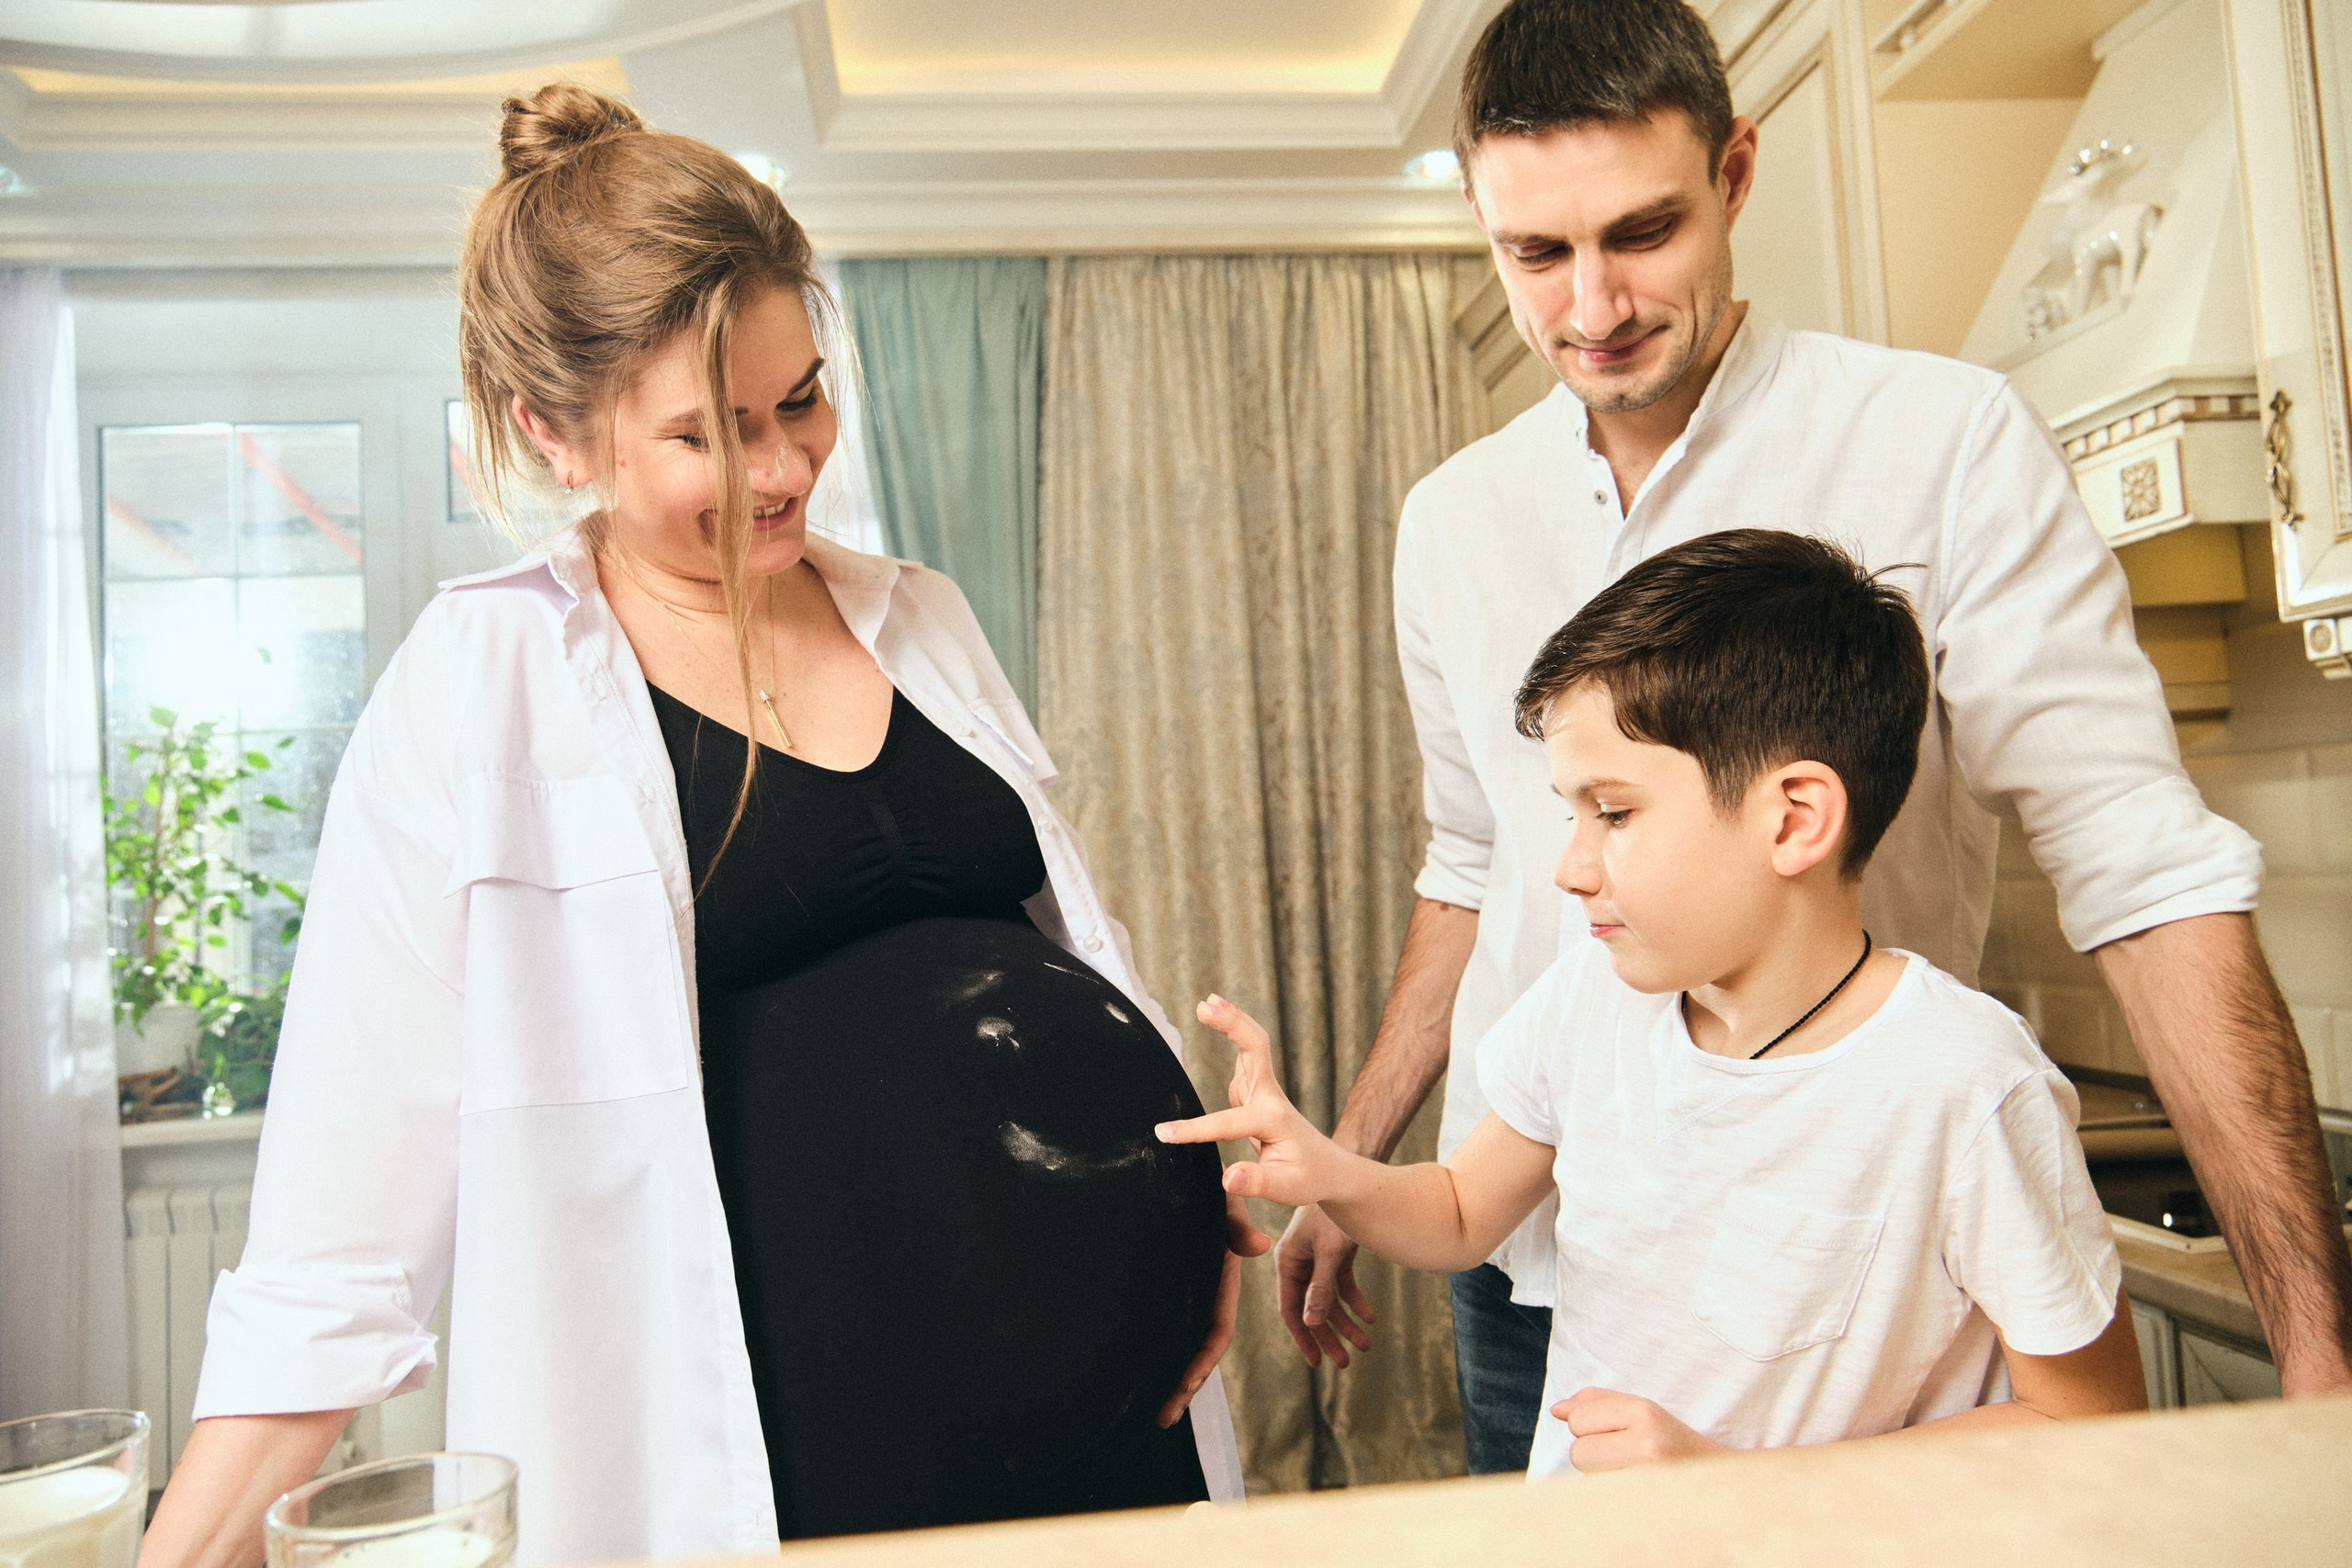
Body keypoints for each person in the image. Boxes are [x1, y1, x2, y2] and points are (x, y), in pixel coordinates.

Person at [138, 85, 1261, 1568]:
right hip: (798, 1485)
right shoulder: (483, 685)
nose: (786, 467)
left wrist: (1176, 1199)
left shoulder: (919, 614)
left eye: (800, 399)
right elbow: (333, 1252)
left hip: (1128, 1443)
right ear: (555, 433)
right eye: (711, 433)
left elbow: (1053, 969)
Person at [1278, 0, 2352, 1474]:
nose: (1592, 306)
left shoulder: (1944, 439)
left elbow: (2140, 865)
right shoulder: (1452, 520)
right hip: (1531, 1245)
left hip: (1835, 1276)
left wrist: (2315, 1349)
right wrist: (1350, 1164)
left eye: (1643, 229)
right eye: (1536, 252)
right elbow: (1472, 862)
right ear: (1482, 221)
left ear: (1737, 172)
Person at [1171, 531, 2150, 1473]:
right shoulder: (1590, 1004)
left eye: (1615, 813)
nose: (1567, 867)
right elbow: (1464, 1210)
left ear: (1795, 818)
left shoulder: (1963, 1082)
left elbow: (2084, 1417)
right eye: (1569, 813)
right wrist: (1332, 1168)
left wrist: (1738, 1482)